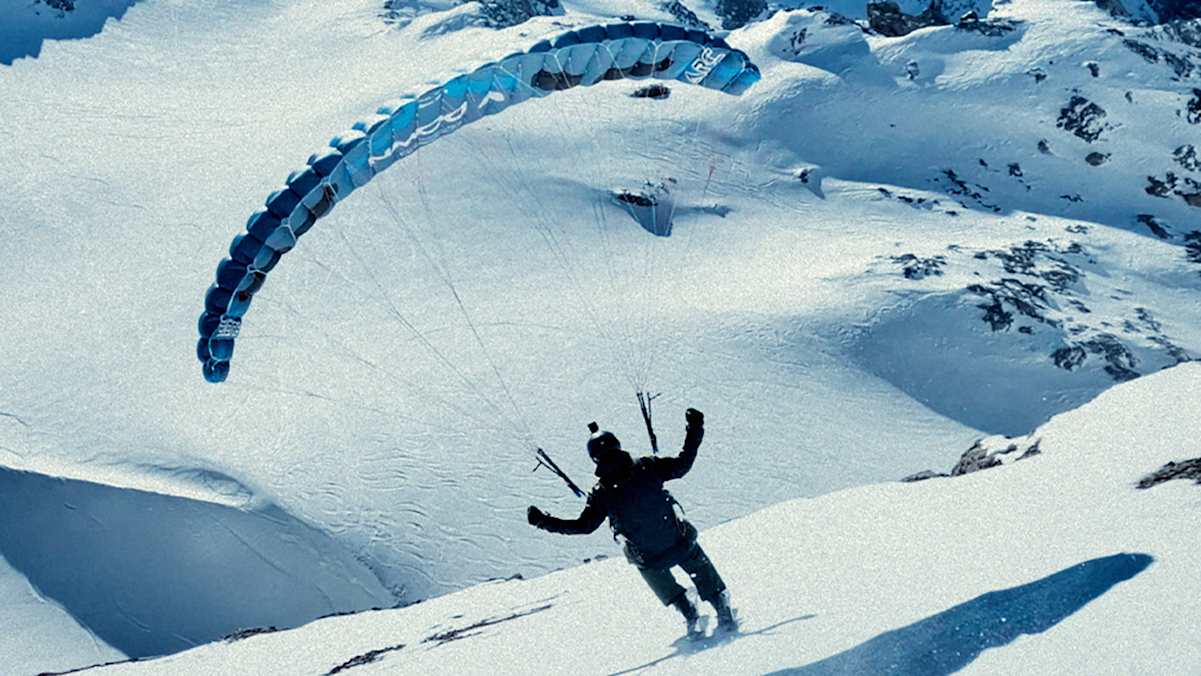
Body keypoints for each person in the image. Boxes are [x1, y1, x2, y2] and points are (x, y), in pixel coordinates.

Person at [526, 408, 736, 637]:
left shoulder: (602, 493)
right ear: (617, 445)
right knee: (696, 562)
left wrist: (543, 521)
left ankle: (686, 609)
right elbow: (682, 465)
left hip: (650, 558)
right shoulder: (646, 467)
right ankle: (720, 604)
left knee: (651, 570)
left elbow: (583, 527)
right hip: (680, 541)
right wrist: (695, 428)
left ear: (594, 458)